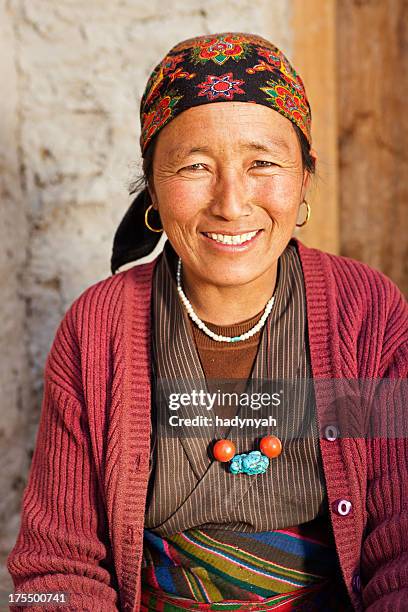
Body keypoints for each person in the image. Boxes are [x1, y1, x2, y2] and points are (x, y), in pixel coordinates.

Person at [7, 32, 408, 612]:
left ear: (303, 177)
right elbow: (54, 571)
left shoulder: (365, 313)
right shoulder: (98, 330)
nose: (231, 202)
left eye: (263, 163)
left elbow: (401, 552)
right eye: (195, 166)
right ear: (153, 185)